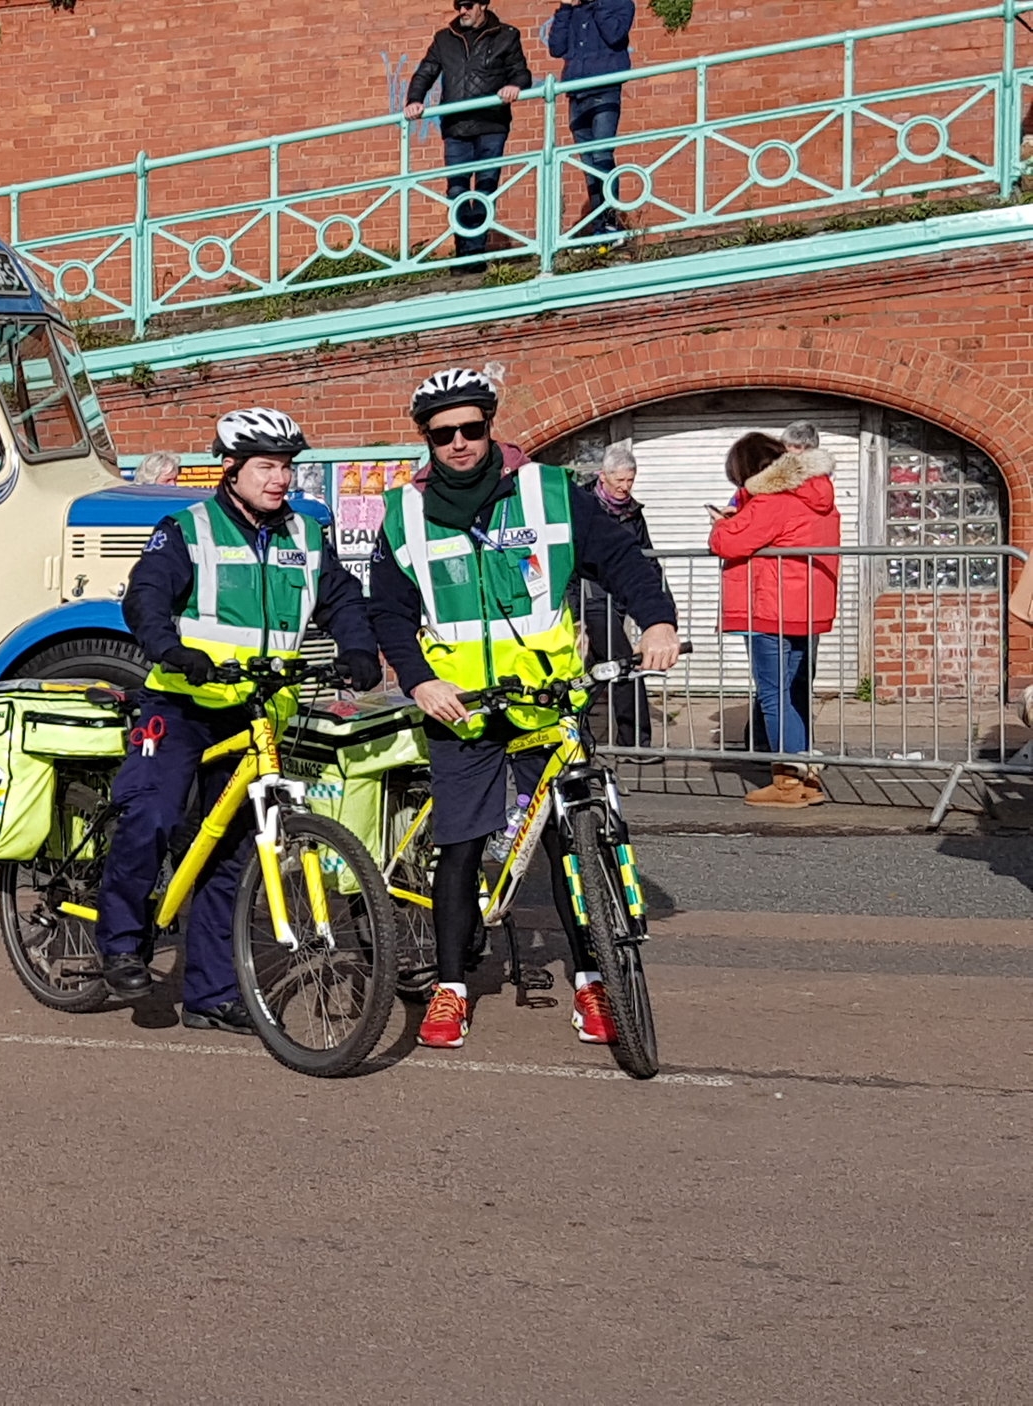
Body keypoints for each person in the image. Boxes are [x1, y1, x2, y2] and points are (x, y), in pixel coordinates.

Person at [366, 369, 678, 1051]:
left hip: (547, 700)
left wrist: (655, 622)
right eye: (441, 433)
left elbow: (623, 560)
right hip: (462, 707)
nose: (457, 444)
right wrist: (418, 681)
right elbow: (387, 612)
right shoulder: (404, 514)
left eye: (470, 429)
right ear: (427, 439)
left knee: (574, 845)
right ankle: (450, 988)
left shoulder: (550, 493)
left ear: (490, 426)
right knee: (461, 845)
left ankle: (596, 979)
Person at [93, 409, 383, 1033]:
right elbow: (145, 597)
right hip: (183, 701)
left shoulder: (305, 536)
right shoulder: (187, 529)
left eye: (287, 466)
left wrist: (358, 649)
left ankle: (212, 993)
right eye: (267, 467)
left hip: (256, 711)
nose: (280, 479)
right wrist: (171, 649)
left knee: (235, 854)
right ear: (231, 469)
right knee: (153, 812)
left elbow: (340, 601)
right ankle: (119, 942)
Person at [709, 423, 841, 808]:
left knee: (774, 694)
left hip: (770, 606)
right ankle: (804, 775)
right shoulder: (819, 495)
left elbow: (728, 541)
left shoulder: (772, 500)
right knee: (795, 690)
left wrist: (722, 522)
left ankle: (790, 780)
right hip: (807, 606)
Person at [403, 0, 534, 268]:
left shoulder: (506, 36)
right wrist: (414, 100)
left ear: (483, 5)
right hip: (456, 126)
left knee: (486, 187)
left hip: (491, 124)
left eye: (468, 5)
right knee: (458, 190)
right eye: (459, 6)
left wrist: (513, 86)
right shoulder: (444, 39)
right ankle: (464, 252)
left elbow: (522, 74)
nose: (462, 11)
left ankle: (474, 253)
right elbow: (425, 72)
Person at [580, 445, 654, 746]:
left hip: (619, 598)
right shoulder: (583, 504)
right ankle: (634, 740)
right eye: (618, 480)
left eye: (630, 480)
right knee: (624, 663)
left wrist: (661, 611)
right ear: (603, 476)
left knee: (595, 672)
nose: (624, 487)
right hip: (592, 597)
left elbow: (647, 558)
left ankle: (570, 723)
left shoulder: (633, 512)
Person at [549, 0, 637, 238]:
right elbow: (555, 47)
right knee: (588, 164)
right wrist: (564, 9)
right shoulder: (575, 12)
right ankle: (600, 225)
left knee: (602, 156)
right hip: (577, 94)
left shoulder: (621, 4)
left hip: (605, 91)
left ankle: (610, 223)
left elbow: (615, 34)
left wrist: (598, 4)